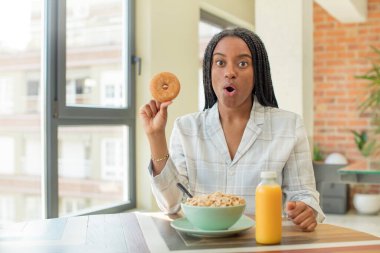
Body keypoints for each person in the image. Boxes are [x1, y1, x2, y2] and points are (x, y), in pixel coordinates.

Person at [139, 27, 325, 232]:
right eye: (220, 63)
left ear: (258, 73)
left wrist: (306, 209)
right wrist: (155, 136)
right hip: (202, 244)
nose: (230, 72)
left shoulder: (289, 126)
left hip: (261, 242)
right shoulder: (186, 128)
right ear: (209, 72)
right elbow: (172, 204)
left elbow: (304, 194)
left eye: (243, 63)